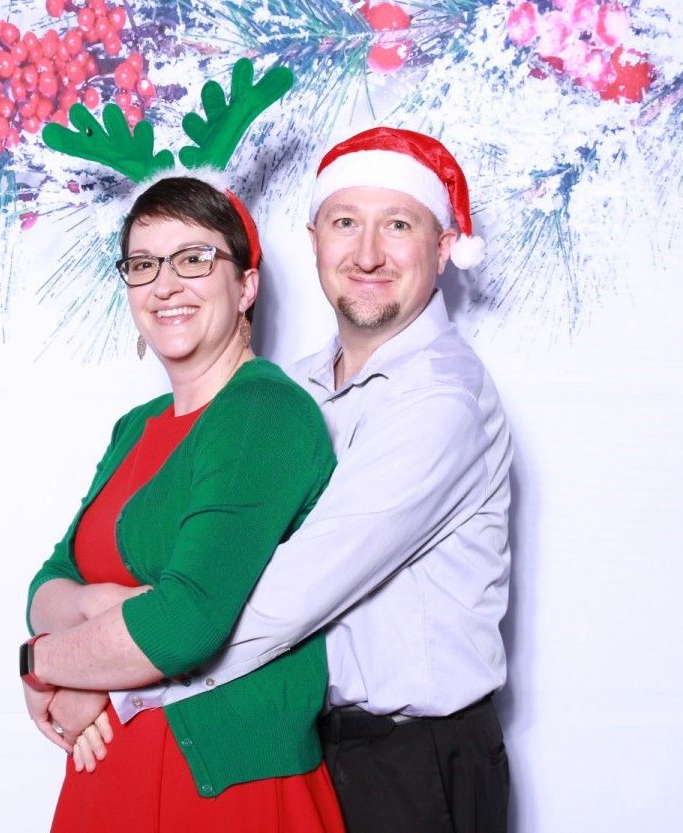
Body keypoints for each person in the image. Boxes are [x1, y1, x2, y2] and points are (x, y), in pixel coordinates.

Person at [40, 127, 514, 833]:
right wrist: (76, 650)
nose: (368, 254)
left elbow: (273, 603)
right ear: (315, 238)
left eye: (399, 225)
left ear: (443, 248)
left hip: (414, 766)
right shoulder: (298, 391)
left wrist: (102, 680)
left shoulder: (439, 402)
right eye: (345, 223)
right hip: (315, 746)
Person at [20, 176, 346, 832]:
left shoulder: (261, 412)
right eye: (144, 265)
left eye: (194, 259)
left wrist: (40, 665)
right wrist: (92, 608)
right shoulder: (136, 427)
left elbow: (185, 624)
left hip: (221, 792)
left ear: (245, 286)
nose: (164, 285)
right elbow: (47, 582)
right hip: (109, 772)